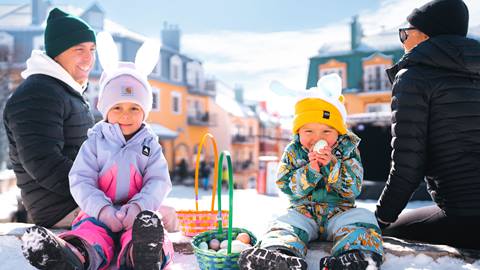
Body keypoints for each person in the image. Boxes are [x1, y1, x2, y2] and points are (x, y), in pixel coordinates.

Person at [20, 32, 174, 270]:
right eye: (118, 107)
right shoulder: (94, 142)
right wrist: (101, 210)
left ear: (145, 111)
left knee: (150, 230)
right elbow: (81, 179)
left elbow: (158, 181)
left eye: (135, 107)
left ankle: (143, 254)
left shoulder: (150, 144)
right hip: (98, 214)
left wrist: (138, 208)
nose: (126, 114)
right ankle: (71, 255)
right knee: (89, 232)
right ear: (104, 108)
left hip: (138, 216)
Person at [239, 74, 383, 270]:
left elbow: (353, 189)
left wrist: (333, 165)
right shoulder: (293, 151)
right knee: (283, 222)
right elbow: (285, 186)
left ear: (338, 133)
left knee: (363, 218)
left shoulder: (348, 150)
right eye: (308, 132)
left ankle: (356, 256)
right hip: (303, 211)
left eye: (326, 132)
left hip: (340, 211)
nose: (317, 138)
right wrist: (310, 171)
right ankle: (280, 255)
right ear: (298, 132)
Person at [375, 0, 480, 250]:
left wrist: (379, 219)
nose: (403, 41)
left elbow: (407, 168)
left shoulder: (414, 76)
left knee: (387, 231)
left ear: (425, 35)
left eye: (404, 33)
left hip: (465, 217)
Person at [3, 8, 96, 228]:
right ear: (57, 53)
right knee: (148, 220)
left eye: (92, 49)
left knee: (159, 213)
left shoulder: (64, 91)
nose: (89, 58)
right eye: (79, 49)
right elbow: (43, 162)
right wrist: (98, 191)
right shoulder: (37, 94)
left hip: (80, 201)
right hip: (61, 210)